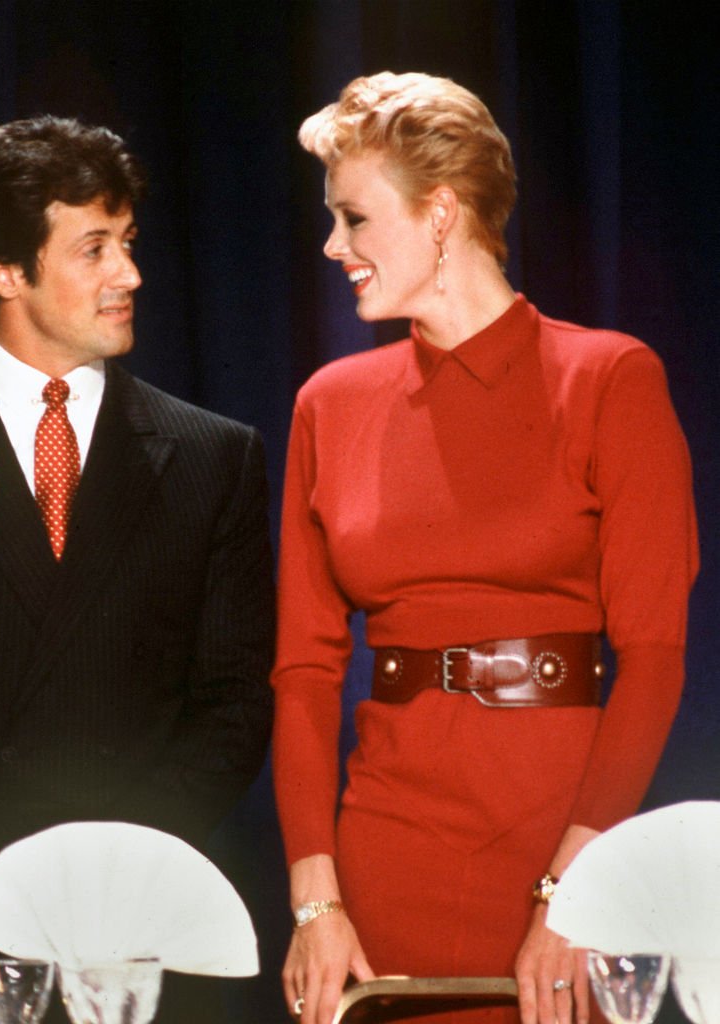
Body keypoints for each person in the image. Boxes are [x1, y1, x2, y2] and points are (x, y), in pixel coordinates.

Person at [271, 72, 698, 1024]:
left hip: (558, 835)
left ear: (439, 213)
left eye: (354, 217)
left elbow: (656, 661)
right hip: (383, 849)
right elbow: (301, 672)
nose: (332, 245)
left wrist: (573, 891)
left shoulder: (609, 379)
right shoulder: (328, 405)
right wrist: (316, 899)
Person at [0, 115, 275, 1023]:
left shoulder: (211, 456)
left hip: (145, 927)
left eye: (130, 244)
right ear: (6, 271)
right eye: (94, 248)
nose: (131, 276)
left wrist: (114, 870)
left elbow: (232, 698)